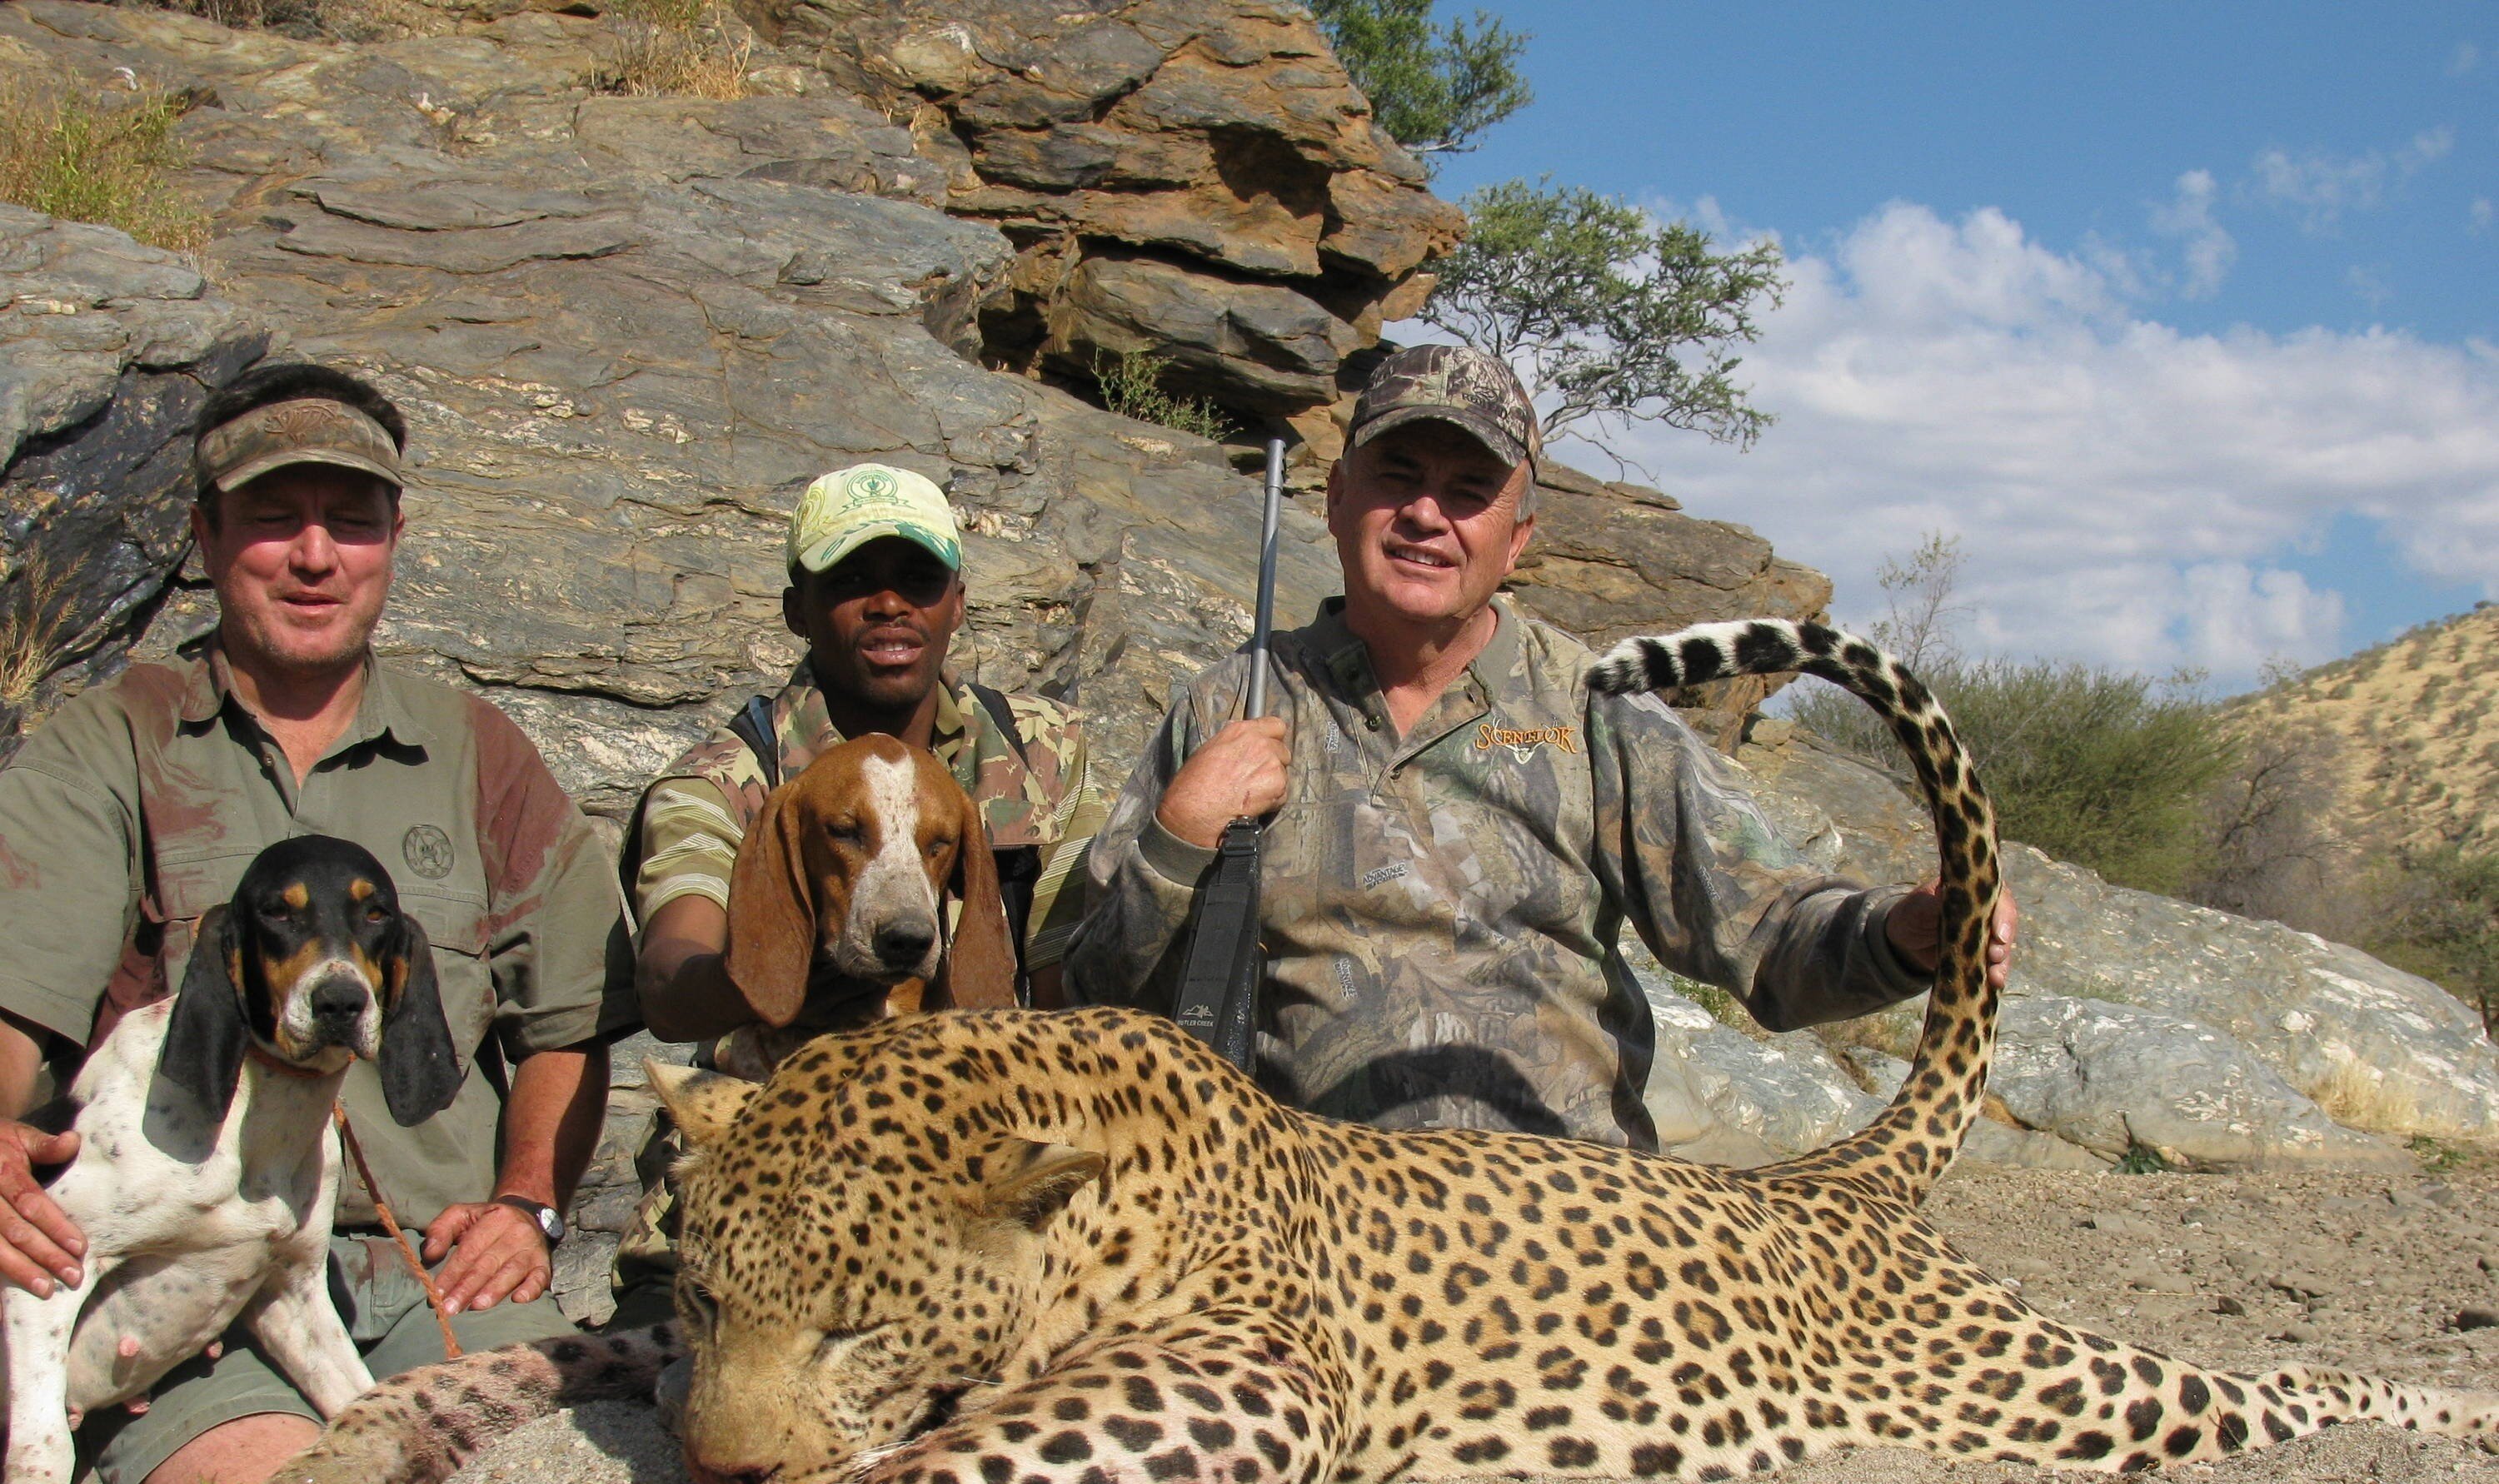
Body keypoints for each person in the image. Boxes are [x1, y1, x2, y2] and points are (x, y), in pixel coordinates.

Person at [1065, 343, 2017, 1148]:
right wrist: (1179, 838)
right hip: (1316, 1244)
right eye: (1398, 476)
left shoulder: (1595, 710)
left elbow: (1770, 935)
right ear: (1338, 495)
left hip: (1565, 1238)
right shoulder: (1232, 704)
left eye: (1470, 491)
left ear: (1518, 539)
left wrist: (1902, 932)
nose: (1428, 515)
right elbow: (1078, 1000)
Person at [0, 361, 636, 1484]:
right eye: (271, 520)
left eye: (350, 522)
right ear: (204, 533)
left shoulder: (478, 751)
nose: (314, 556)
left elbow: (574, 1016)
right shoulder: (112, 744)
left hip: (436, 1269)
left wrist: (528, 1203)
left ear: (394, 536)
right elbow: (16, 1006)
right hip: (184, 1286)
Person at [628, 462, 1101, 1043]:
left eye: (918, 579)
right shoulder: (721, 782)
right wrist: (776, 977)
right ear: (796, 611)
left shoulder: (1043, 749)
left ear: (956, 604)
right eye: (851, 580)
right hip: (783, 1096)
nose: (888, 605)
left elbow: (1067, 986)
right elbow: (666, 976)